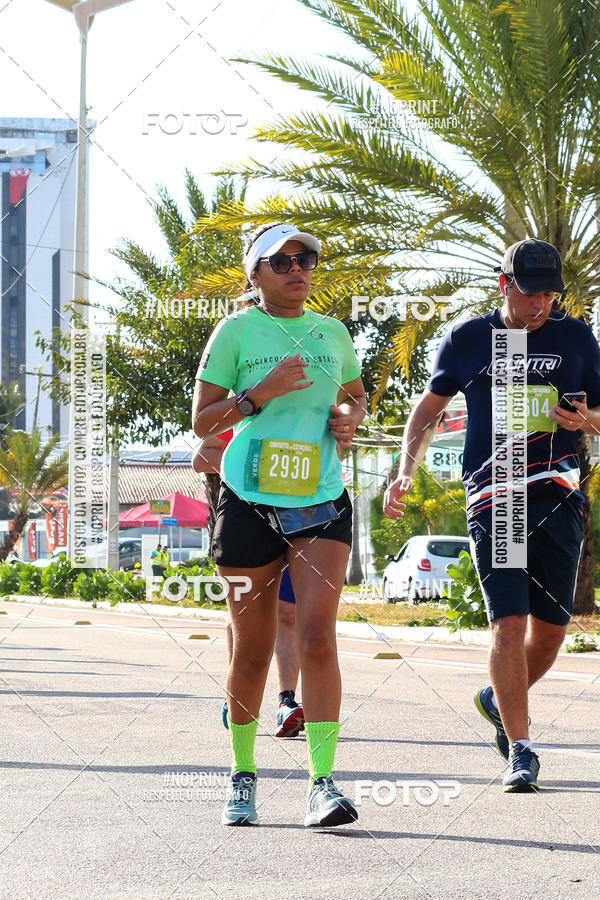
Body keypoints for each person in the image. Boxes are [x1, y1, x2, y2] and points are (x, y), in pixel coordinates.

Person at [383, 239, 600, 793]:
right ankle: (521, 750)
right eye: (530, 294)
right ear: (504, 286)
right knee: (509, 622)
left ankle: (496, 700)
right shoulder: (468, 338)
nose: (540, 305)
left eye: (549, 295)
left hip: (559, 495)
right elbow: (428, 408)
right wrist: (405, 470)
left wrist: (586, 421)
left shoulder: (576, 337)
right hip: (495, 496)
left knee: (550, 634)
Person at [192, 221, 366, 826]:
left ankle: (322, 783)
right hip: (248, 498)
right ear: (255, 273)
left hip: (320, 498)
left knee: (318, 637)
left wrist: (347, 417)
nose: (298, 269)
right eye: (282, 261)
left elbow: (354, 396)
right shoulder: (236, 331)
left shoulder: (333, 332)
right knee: (253, 651)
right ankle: (242, 774)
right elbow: (203, 422)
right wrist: (257, 394)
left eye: (305, 259)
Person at [192, 433, 304, 738]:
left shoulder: (308, 411)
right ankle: (237, 694)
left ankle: (287, 702)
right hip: (246, 520)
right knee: (243, 614)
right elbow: (200, 458)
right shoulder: (243, 413)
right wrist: (252, 465)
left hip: (299, 518)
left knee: (287, 613)